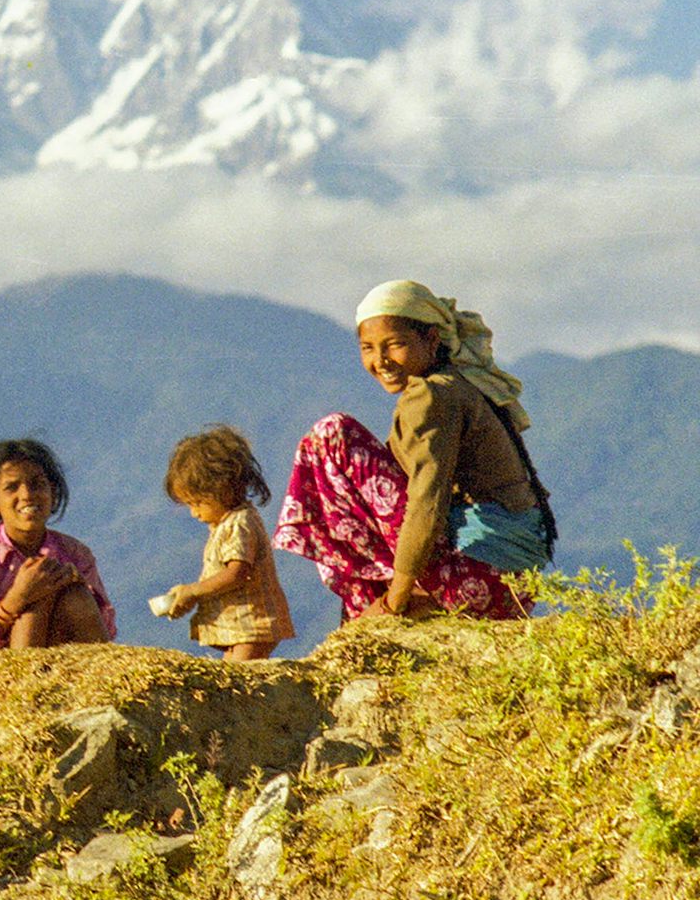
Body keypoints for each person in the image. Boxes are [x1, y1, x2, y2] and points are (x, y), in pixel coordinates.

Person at [272, 280, 555, 622]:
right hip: (512, 587)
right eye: (368, 348)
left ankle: (404, 591)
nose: (381, 361)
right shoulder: (456, 385)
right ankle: (402, 588)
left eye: (394, 345)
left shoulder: (432, 397)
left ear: (431, 340)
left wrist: (395, 603)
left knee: (332, 434)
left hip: (480, 577)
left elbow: (426, 502)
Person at [0, 438, 115, 655]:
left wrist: (79, 589)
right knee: (33, 606)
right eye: (11, 488)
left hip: (70, 665)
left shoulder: (76, 554)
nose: (27, 495)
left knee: (75, 596)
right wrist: (15, 601)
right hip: (7, 673)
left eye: (37, 484)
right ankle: (28, 686)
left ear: (53, 493)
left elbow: (108, 630)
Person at [158, 426, 295, 661]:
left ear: (224, 489)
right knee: (228, 675)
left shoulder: (240, 524)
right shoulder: (224, 525)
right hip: (239, 627)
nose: (194, 513)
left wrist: (194, 591)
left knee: (242, 680)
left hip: (252, 623)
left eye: (198, 503)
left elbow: (237, 573)